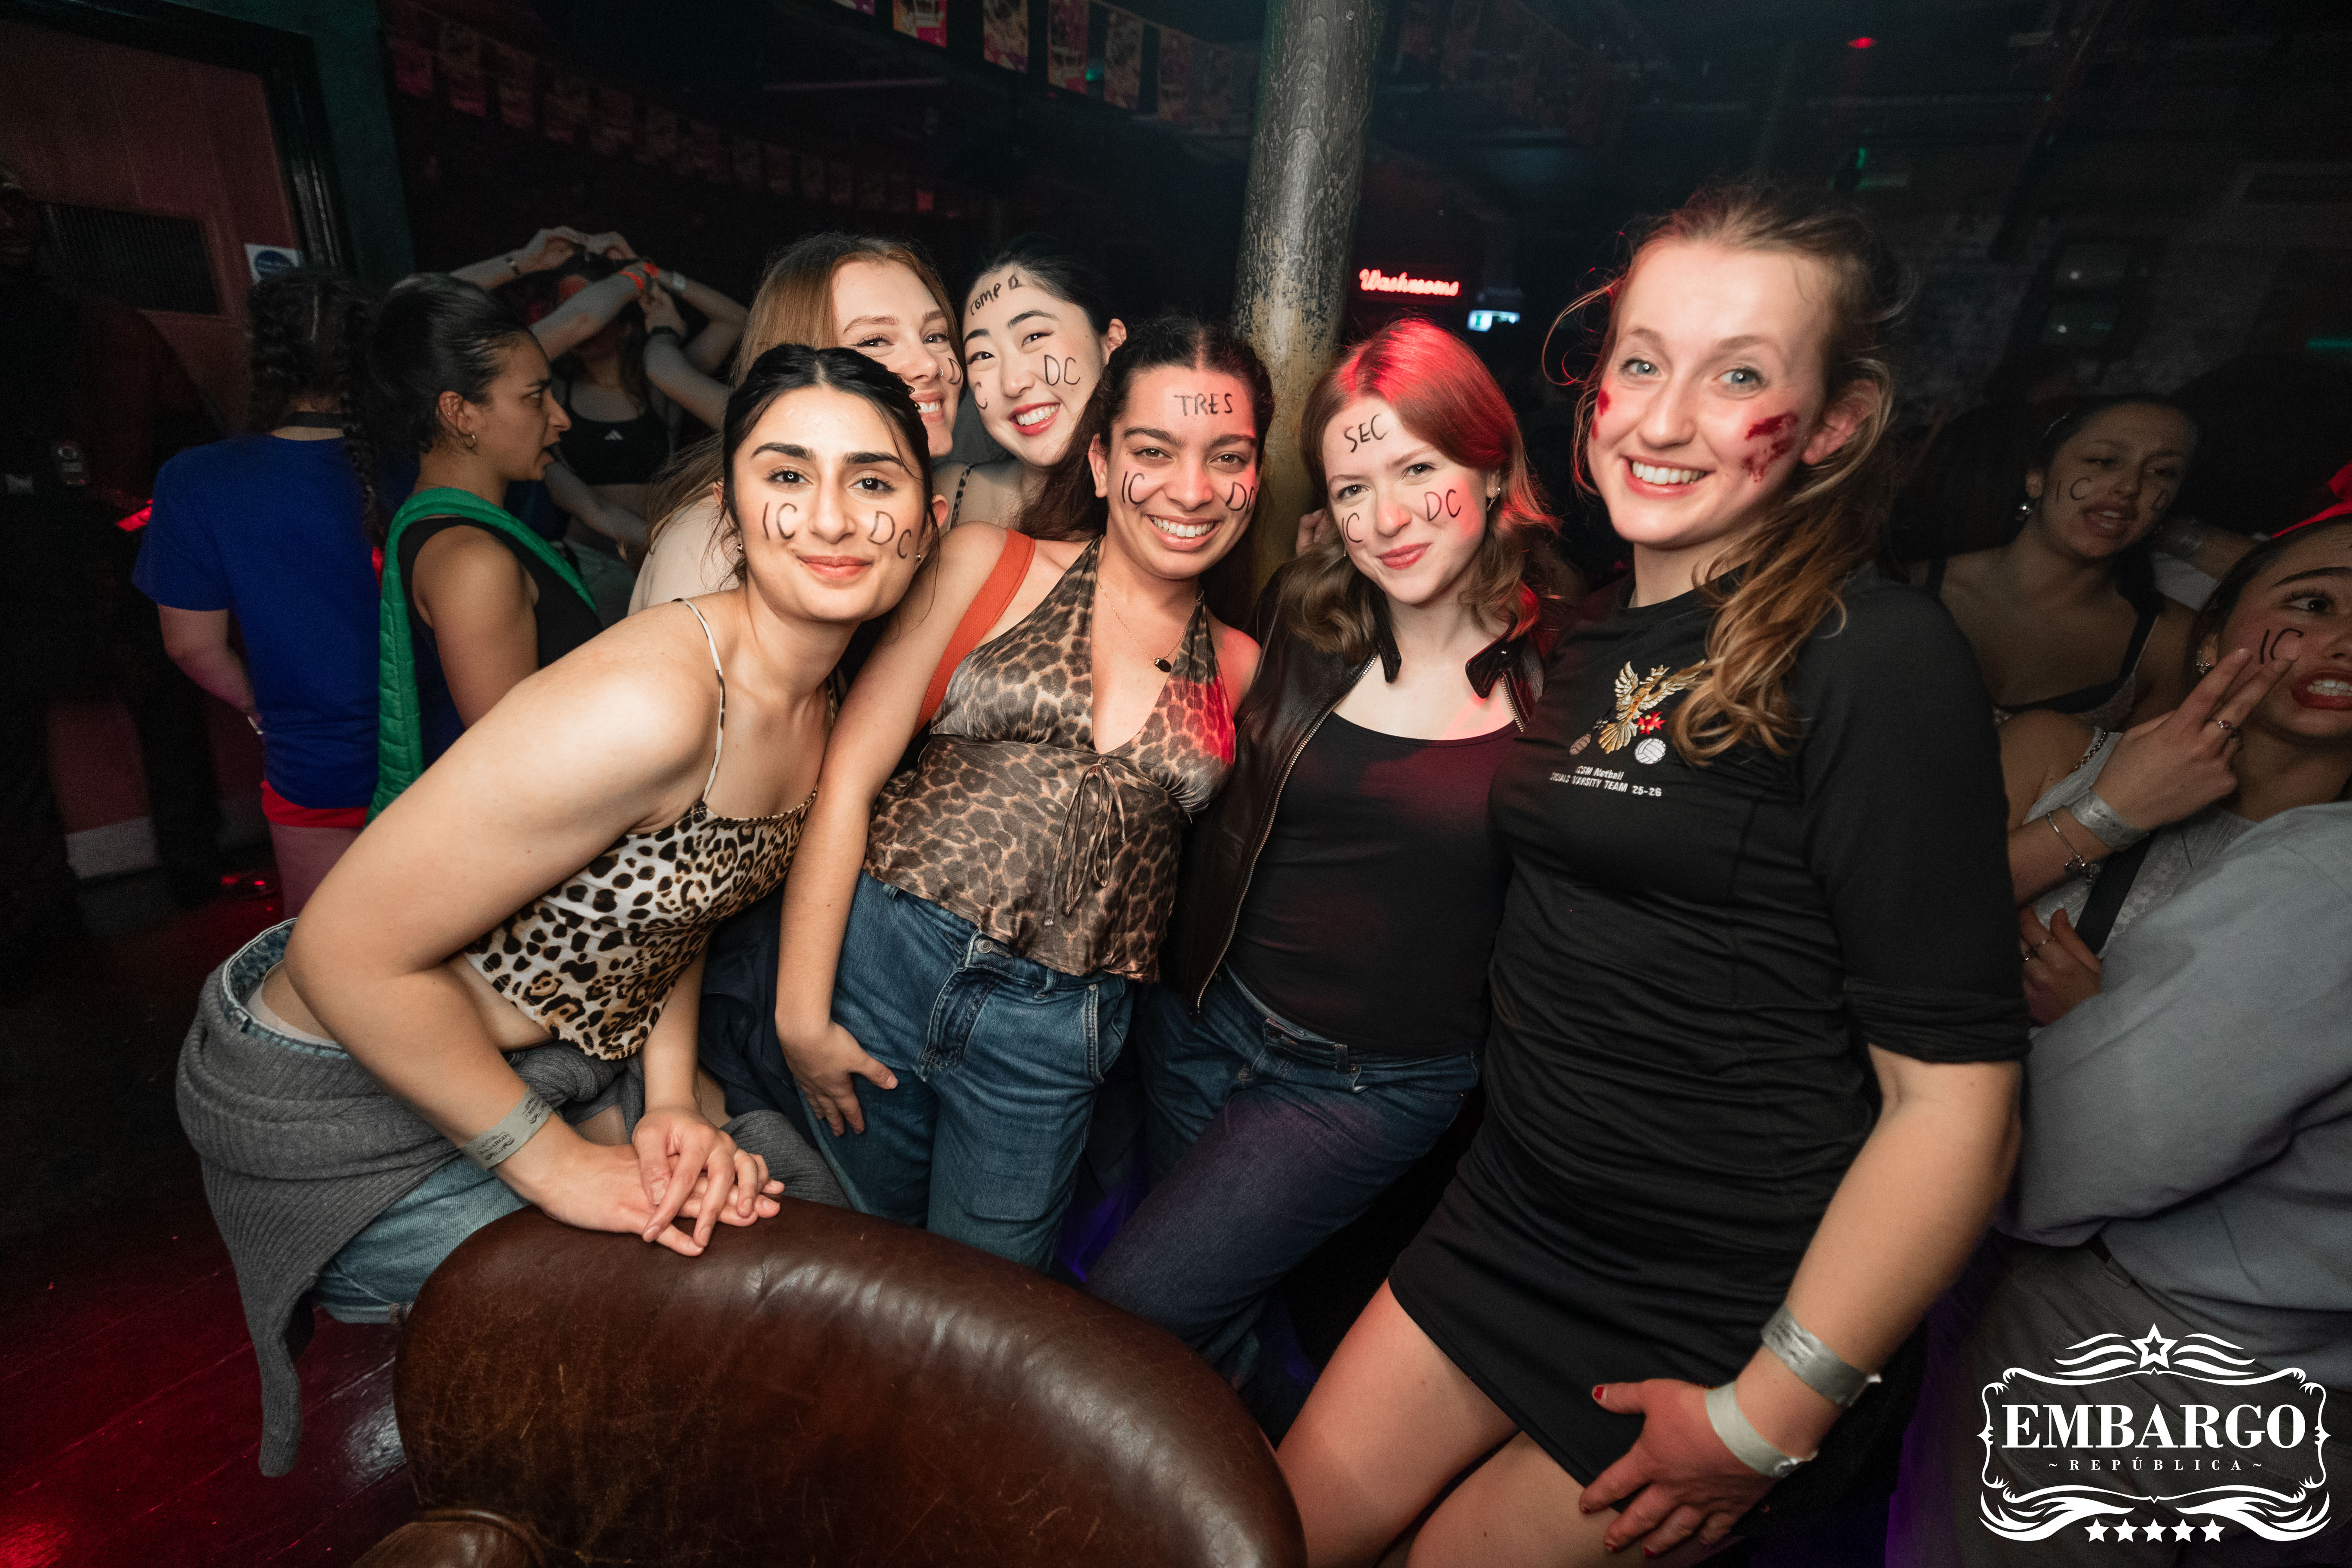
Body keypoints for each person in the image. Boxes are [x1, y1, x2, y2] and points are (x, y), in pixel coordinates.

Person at [1275, 184, 2030, 1567]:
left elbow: (1958, 1107)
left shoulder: (1875, 657)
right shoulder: (1591, 635)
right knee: (1257, 1535)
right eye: (1641, 362)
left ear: (1837, 422)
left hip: (1715, 1303)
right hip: (1510, 1224)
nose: (1664, 420)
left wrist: (1767, 1416)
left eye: (1738, 376)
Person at [175, 342, 927, 1476]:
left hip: (552, 1063)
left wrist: (669, 1101)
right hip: (344, 1096)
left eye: (873, 480)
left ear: (924, 518)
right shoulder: (656, 699)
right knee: (717, 1313)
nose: (830, 516)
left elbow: (682, 900)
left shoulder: (816, 703)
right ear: (731, 506)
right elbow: (343, 954)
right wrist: (557, 1166)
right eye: (786, 474)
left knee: (789, 1207)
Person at [1084, 317, 1564, 1429]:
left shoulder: (1565, 676)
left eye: (1419, 471)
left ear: (1492, 470)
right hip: (1205, 1021)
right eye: (1353, 488)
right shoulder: (1305, 618)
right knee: (1207, 1317)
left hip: (1362, 1088)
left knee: (1136, 1309)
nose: (1385, 518)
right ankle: (1237, 1476)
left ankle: (1283, 1475)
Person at [765, 317, 1265, 1272]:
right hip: (882, 967)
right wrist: (799, 1015)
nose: (1192, 489)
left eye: (1227, 457)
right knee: (847, 1268)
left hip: (1054, 1031)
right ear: (1103, 460)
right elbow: (848, 777)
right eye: (1154, 451)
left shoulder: (1243, 668)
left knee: (981, 1310)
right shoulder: (988, 562)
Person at [1997, 518, 2352, 1025]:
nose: (2347, 642)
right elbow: (1902, 914)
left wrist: (2098, 1021)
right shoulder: (2052, 751)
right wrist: (2111, 814)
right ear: (2211, 641)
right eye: (2315, 605)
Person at [134, 270, 389, 913]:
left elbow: (192, 647)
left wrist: (261, 706)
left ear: (262, 355)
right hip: (444, 748)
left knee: (327, 953)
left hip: (315, 758)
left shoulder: (198, 480)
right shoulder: (416, 461)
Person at [352, 275, 605, 809]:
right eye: (535, 397)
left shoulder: (450, 531)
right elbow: (518, 773)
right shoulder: (473, 561)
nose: (560, 418)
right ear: (460, 413)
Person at [631, 233, 967, 611]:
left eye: (935, 336)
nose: (929, 365)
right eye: (875, 341)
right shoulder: (713, 542)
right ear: (802, 362)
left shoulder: (928, 502)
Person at [1914, 397, 2205, 730]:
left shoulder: (2168, 644)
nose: (2130, 487)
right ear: (2037, 476)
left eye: (2162, 472)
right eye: (2104, 461)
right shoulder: (1909, 588)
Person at [952, 235, 1128, 530]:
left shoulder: (1162, 514)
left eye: (1034, 337)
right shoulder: (946, 497)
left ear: (1112, 342)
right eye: (983, 355)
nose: (1012, 384)